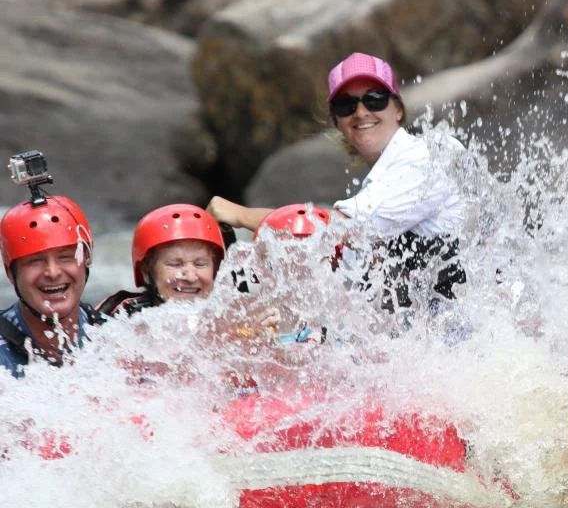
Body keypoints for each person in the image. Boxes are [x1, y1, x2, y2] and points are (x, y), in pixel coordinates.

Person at [207, 52, 467, 311]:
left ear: (398, 109)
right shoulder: (382, 180)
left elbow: (335, 228)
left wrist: (240, 216)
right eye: (347, 105)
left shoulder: (424, 157)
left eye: (374, 100)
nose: (361, 112)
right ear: (336, 121)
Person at [0, 191, 102, 377]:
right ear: (10, 274)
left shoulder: (117, 338)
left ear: (86, 260)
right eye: (35, 261)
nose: (53, 272)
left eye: (65, 257)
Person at [98, 203, 226, 316]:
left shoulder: (229, 314)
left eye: (200, 264)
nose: (191, 277)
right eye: (175, 264)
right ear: (146, 272)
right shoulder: (123, 316)